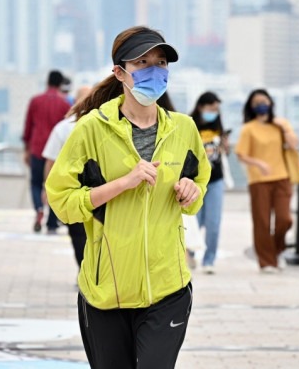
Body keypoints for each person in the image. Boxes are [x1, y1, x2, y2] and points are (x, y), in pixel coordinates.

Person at [45, 26, 210, 369]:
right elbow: (61, 200)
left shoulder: (184, 129)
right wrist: (124, 182)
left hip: (168, 289)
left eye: (161, 62)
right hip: (107, 292)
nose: (155, 70)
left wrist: (190, 193)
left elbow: (197, 189)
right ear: (120, 73)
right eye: (142, 62)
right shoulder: (91, 129)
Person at [235, 89, 298, 274]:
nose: (261, 104)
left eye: (264, 100)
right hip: (258, 180)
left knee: (284, 219)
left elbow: (294, 145)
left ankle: (277, 251)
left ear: (270, 102)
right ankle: (267, 262)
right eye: (256, 102)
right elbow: (241, 154)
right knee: (262, 222)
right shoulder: (249, 128)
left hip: (282, 177)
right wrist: (259, 163)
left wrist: (284, 128)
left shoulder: (281, 124)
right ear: (251, 107)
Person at [41, 85, 92, 266]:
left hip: (88, 192)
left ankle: (85, 270)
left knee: (79, 235)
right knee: (83, 234)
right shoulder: (64, 128)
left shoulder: (63, 128)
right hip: (79, 192)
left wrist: (46, 188)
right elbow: (51, 161)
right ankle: (87, 271)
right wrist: (48, 188)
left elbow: (50, 161)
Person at [22, 70, 71, 233]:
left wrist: (26, 150)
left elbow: (28, 127)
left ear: (47, 82)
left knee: (36, 183)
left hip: (36, 148)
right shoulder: (65, 104)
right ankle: (51, 222)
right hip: (56, 153)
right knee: (54, 185)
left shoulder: (35, 101)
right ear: (60, 84)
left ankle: (38, 208)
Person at [188, 91, 229, 274]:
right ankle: (188, 255)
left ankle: (209, 260)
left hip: (216, 180)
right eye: (211, 108)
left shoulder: (218, 127)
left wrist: (226, 145)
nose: (214, 112)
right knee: (193, 221)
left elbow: (225, 154)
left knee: (213, 223)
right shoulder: (189, 125)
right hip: (195, 180)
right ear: (201, 107)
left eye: (216, 109)